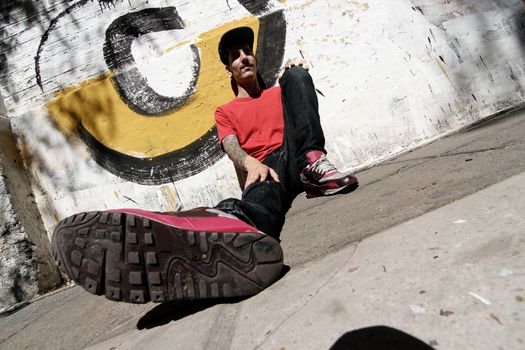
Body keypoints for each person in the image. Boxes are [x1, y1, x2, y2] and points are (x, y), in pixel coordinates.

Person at [51, 27, 358, 304]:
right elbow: (229, 144)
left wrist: (295, 73)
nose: (243, 58)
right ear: (229, 68)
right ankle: (215, 245)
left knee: (297, 75)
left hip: (296, 155)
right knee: (257, 206)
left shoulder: (279, 90)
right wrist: (249, 162)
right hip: (265, 167)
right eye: (235, 56)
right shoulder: (225, 111)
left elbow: (301, 110)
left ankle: (314, 167)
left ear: (254, 58)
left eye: (247, 52)